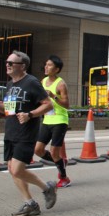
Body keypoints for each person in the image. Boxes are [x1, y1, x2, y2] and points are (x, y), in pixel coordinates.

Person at [0, 50, 58, 216]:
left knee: (17, 170)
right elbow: (8, 110)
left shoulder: (31, 82)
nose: (7, 65)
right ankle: (30, 203)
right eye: (7, 62)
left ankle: (47, 188)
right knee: (12, 169)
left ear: (22, 66)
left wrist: (30, 114)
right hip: (11, 132)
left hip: (26, 133)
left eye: (11, 63)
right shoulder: (10, 85)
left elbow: (48, 104)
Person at [35, 55, 71, 188]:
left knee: (54, 151)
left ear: (56, 69)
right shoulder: (43, 81)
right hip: (47, 120)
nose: (46, 67)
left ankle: (64, 178)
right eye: (46, 64)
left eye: (49, 65)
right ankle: (60, 162)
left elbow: (67, 105)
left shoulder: (61, 84)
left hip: (60, 120)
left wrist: (53, 96)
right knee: (38, 150)